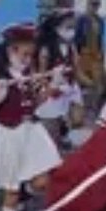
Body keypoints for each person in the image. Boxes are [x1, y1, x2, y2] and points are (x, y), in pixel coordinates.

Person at [0, 23, 63, 211]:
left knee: (43, 181)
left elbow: (35, 102)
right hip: (10, 134)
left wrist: (53, 85)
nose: (28, 58)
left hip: (32, 131)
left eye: (31, 53)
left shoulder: (28, 72)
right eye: (24, 53)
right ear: (11, 49)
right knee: (11, 190)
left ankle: (17, 204)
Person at [36, 11, 85, 147]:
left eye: (73, 27)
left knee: (78, 118)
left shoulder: (72, 47)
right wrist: (50, 89)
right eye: (68, 27)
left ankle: (65, 128)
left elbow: (76, 69)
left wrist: (85, 83)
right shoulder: (46, 49)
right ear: (57, 28)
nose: (71, 31)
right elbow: (42, 74)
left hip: (69, 86)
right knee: (52, 129)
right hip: (53, 87)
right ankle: (57, 138)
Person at [75, 0, 106, 97]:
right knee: (83, 77)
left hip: (96, 52)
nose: (94, 6)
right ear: (87, 4)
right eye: (92, 4)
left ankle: (94, 98)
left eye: (97, 4)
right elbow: (77, 37)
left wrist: (101, 51)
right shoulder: (81, 19)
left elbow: (100, 37)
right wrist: (77, 52)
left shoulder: (100, 20)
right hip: (84, 51)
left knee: (96, 78)